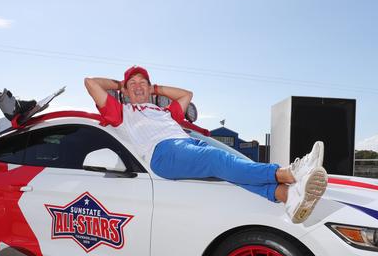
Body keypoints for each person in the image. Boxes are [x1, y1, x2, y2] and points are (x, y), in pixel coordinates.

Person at [84, 65, 328, 223]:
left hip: (185, 146)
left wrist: (154, 88)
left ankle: (286, 195)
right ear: (125, 91)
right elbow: (90, 82)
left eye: (143, 83)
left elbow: (185, 95)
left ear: (151, 88)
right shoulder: (122, 112)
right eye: (133, 84)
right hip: (162, 154)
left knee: (229, 171)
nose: (138, 87)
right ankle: (288, 172)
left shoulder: (164, 112)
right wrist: (120, 85)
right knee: (217, 159)